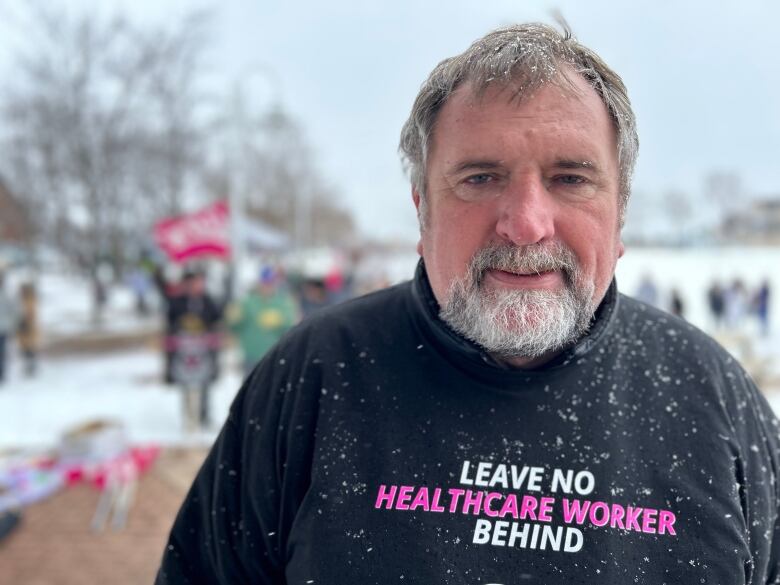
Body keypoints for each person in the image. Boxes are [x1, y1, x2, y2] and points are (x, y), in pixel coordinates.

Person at [156, 23, 780, 584]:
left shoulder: (714, 396)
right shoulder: (314, 375)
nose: (526, 224)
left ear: (619, 215)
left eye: (571, 179)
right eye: (479, 178)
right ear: (422, 209)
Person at [165, 270, 222, 430]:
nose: (198, 286)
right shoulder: (177, 301)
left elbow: (217, 318)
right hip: (184, 351)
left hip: (203, 350)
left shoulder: (208, 300)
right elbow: (170, 321)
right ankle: (188, 417)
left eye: (200, 282)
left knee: (204, 383)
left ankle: (203, 415)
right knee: (186, 384)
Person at [227, 266, 300, 376]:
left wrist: (280, 322)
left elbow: (290, 328)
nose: (267, 287)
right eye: (264, 283)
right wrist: (233, 319)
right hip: (251, 355)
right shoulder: (248, 302)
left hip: (274, 355)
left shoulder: (282, 302)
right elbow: (235, 327)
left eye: (270, 283)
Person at [16, 282, 38, 377]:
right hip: (23, 327)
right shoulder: (21, 300)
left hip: (28, 327)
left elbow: (30, 313)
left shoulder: (30, 300)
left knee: (29, 348)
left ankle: (30, 367)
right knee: (25, 348)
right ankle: (28, 365)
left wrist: (25, 321)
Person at [0, 272, 16, 384]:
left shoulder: (6, 294)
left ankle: (2, 373)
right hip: (4, 327)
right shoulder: (6, 294)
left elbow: (13, 311)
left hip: (3, 328)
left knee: (2, 351)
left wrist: (12, 324)